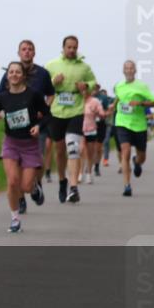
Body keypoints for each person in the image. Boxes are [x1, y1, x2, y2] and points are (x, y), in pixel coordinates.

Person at [0, 62, 52, 233]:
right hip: (11, 143)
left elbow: (47, 115)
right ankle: (15, 219)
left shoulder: (33, 95)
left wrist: (38, 126)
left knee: (26, 187)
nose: (14, 74)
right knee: (13, 182)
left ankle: (35, 186)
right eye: (11, 72)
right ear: (7, 76)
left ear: (23, 75)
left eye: (17, 72)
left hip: (29, 145)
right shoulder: (2, 97)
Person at [0, 39, 55, 211]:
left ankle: (36, 183)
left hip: (36, 123)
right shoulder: (11, 72)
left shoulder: (43, 73)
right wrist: (3, 112)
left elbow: (51, 94)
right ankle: (20, 198)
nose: (27, 52)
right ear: (19, 53)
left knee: (39, 159)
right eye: (24, 49)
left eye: (30, 49)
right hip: (15, 125)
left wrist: (44, 110)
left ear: (34, 53)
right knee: (17, 162)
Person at [45, 36, 96, 204]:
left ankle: (74, 187)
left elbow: (93, 82)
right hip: (56, 110)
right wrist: (54, 81)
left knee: (72, 147)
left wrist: (86, 86)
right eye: (69, 47)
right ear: (63, 48)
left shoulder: (84, 67)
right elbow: (43, 85)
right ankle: (62, 181)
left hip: (76, 110)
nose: (72, 50)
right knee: (59, 151)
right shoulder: (52, 65)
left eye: (75, 47)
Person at [111, 60, 154, 197]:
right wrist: (112, 106)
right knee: (125, 151)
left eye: (131, 68)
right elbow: (119, 98)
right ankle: (127, 186)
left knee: (142, 156)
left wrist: (140, 103)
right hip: (122, 122)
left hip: (139, 125)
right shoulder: (118, 86)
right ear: (123, 70)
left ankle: (137, 162)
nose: (129, 70)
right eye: (126, 68)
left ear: (135, 70)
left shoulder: (142, 86)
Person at [82, 85, 108, 185]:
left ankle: (96, 165)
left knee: (98, 147)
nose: (94, 90)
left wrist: (102, 113)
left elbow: (104, 112)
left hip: (99, 125)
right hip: (83, 125)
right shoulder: (81, 98)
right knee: (82, 149)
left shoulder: (103, 98)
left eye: (95, 88)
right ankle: (83, 170)